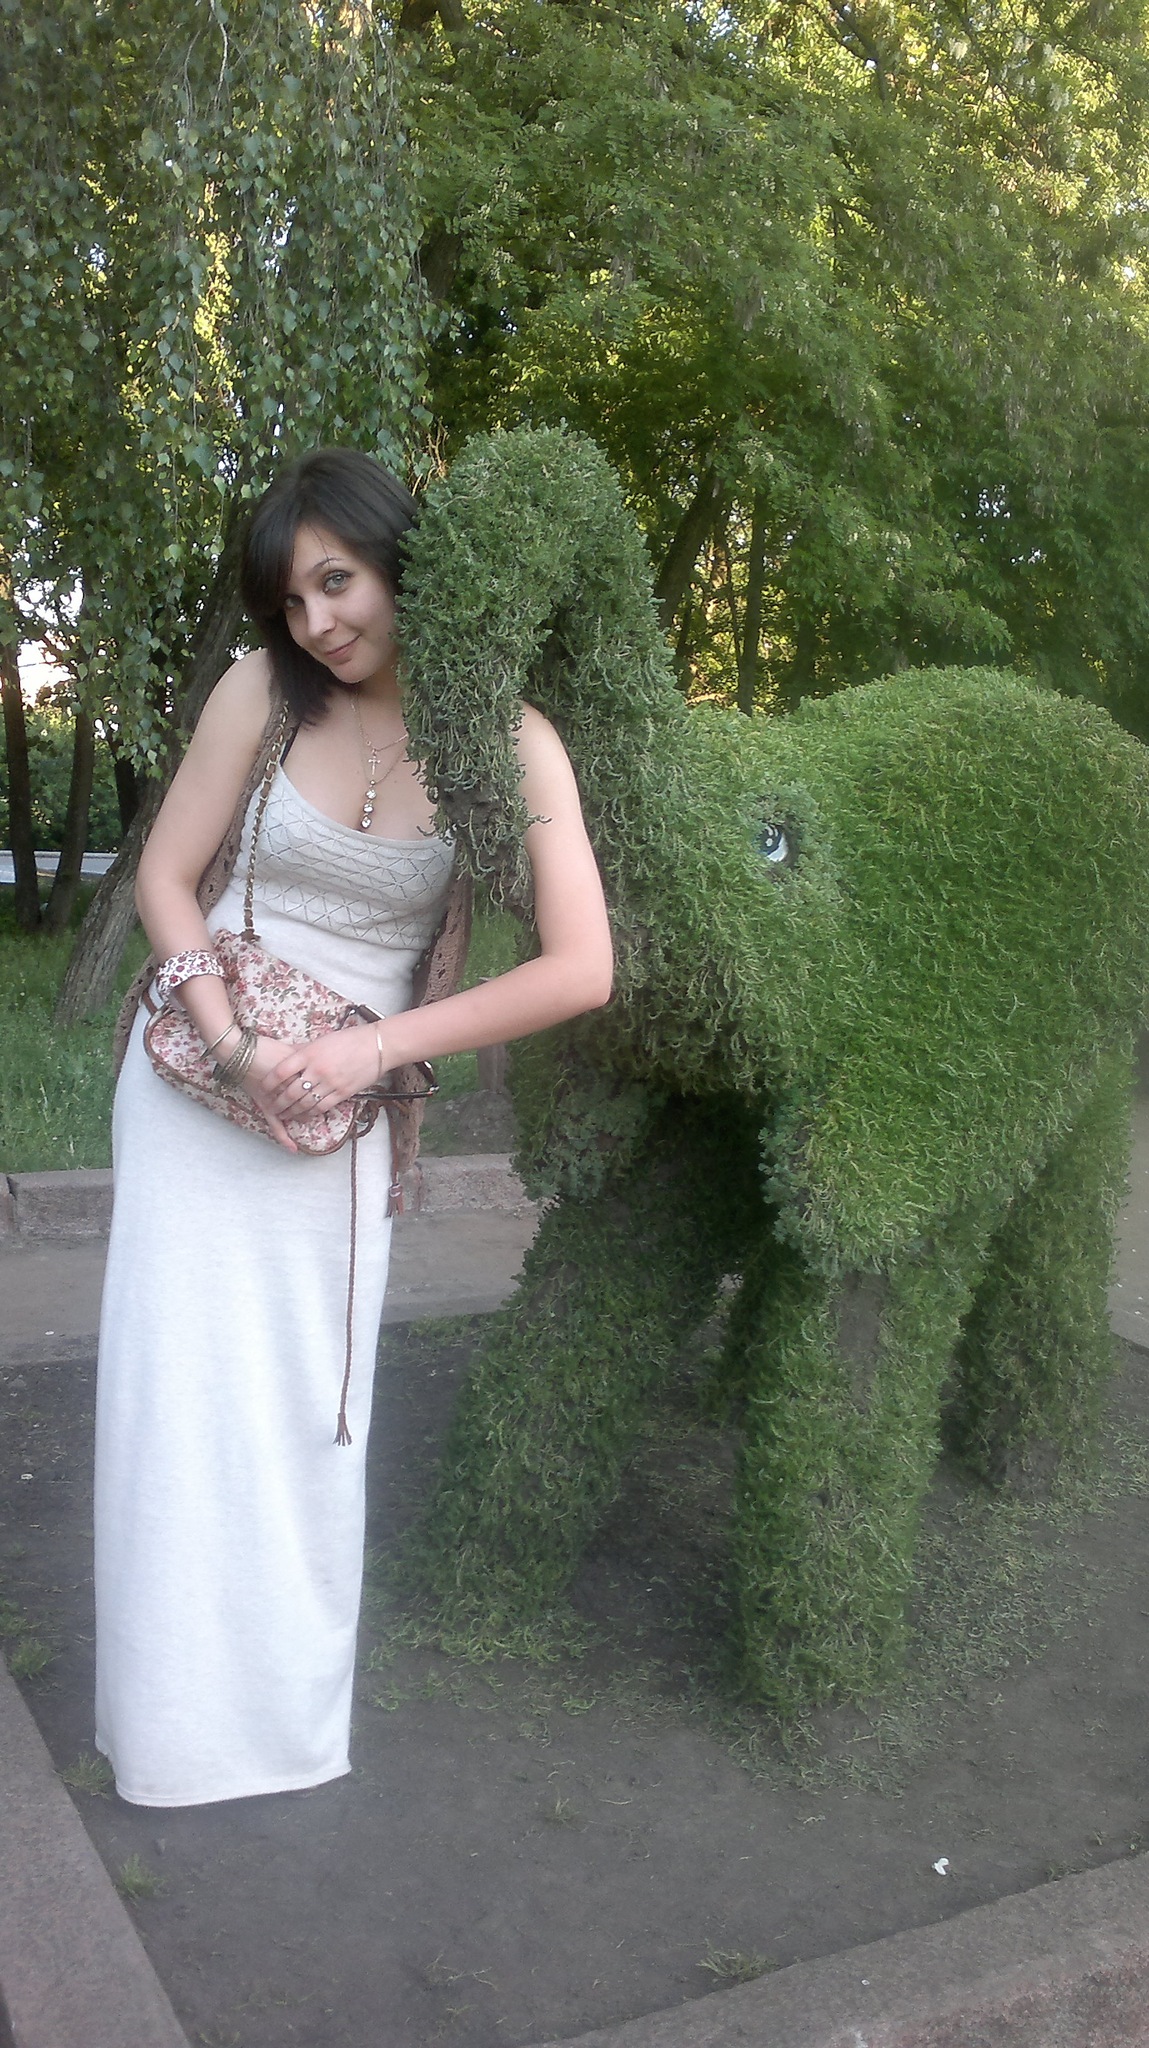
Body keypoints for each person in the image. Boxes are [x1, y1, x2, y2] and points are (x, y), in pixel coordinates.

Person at [94, 447, 613, 1808]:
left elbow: (582, 967)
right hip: (198, 1080)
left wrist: (368, 1052)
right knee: (175, 1402)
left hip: (343, 1112)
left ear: (398, 557)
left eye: (337, 581)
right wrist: (232, 1043)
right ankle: (163, 1731)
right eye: (291, 598)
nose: (317, 621)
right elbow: (166, 877)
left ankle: (276, 1732)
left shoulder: (506, 738)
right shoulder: (263, 693)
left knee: (308, 1412)